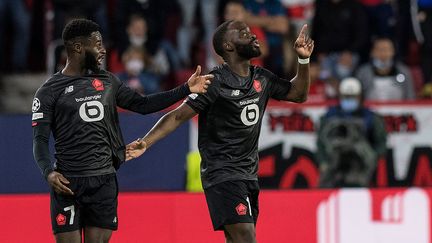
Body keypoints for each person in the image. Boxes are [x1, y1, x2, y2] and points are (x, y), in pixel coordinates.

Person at [126, 20, 314, 242]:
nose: (253, 36)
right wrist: (146, 142)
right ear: (228, 46)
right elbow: (177, 115)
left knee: (237, 239)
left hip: (249, 175)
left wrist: (303, 59)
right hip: (222, 173)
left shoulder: (262, 77)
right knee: (245, 236)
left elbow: (298, 94)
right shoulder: (214, 82)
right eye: (243, 33)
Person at [31, 19, 212, 243]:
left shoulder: (108, 81)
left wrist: (186, 88)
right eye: (97, 44)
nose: (103, 50)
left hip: (104, 180)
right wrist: (48, 172)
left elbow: (144, 105)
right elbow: (39, 140)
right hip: (68, 183)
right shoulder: (49, 91)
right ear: (78, 47)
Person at [316, 77, 387, 188]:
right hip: (333, 166)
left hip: (359, 168)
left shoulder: (370, 118)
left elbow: (381, 143)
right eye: (346, 96)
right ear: (340, 96)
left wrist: (371, 157)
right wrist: (323, 162)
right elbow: (320, 142)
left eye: (353, 97)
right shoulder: (329, 116)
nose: (349, 99)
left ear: (360, 97)